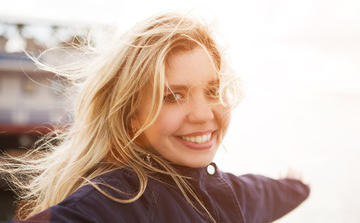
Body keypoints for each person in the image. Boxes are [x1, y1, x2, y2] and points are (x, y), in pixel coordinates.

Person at [2, 11, 309, 223]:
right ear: (129, 116)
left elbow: (261, 195)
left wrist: (294, 187)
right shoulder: (118, 200)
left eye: (213, 90)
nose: (203, 114)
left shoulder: (223, 193)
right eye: (172, 96)